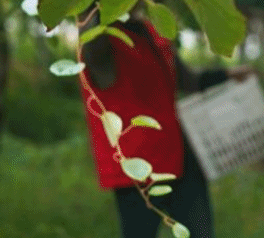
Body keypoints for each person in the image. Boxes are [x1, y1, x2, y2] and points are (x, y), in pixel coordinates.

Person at [79, 12, 250, 238]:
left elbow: (185, 79)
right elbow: (93, 47)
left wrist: (227, 75)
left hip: (179, 157)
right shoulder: (99, 42)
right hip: (136, 169)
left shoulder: (152, 30)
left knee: (199, 232)